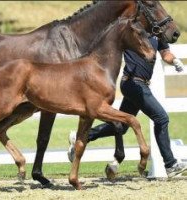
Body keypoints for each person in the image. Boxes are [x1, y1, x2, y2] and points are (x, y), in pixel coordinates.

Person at [67, 35, 187, 178]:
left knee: (121, 126)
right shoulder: (134, 31)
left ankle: (81, 137)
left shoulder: (158, 33)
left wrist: (174, 60)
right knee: (161, 118)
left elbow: (165, 53)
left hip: (141, 85)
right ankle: (170, 164)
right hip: (133, 83)